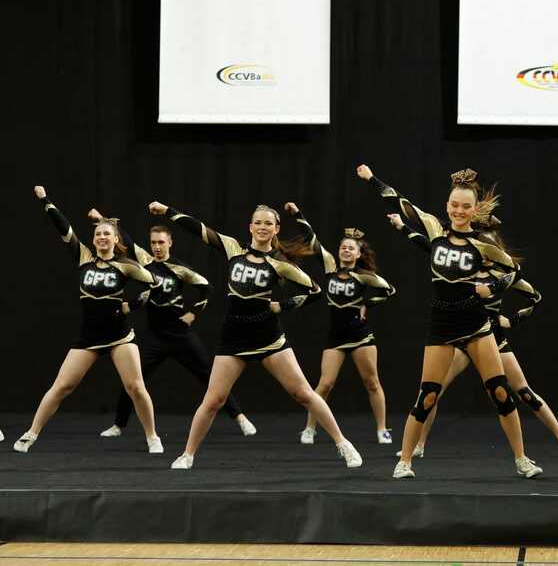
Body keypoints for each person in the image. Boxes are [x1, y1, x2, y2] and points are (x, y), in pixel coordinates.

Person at [357, 164, 543, 479]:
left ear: (474, 210)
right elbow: (400, 202)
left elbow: (514, 272)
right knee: (427, 395)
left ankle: (522, 459)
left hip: (475, 323)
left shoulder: (484, 244)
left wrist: (493, 287)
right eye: (454, 205)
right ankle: (404, 461)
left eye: (465, 206)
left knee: (500, 392)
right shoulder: (435, 231)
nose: (459, 210)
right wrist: (372, 179)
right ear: (447, 206)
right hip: (442, 324)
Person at [146, 201, 361, 470]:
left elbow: (315, 291)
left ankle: (343, 443)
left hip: (267, 336)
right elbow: (199, 229)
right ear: (250, 226)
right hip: (233, 337)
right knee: (213, 400)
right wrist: (167, 211)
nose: (262, 227)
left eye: (268, 223)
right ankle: (187, 454)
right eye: (257, 222)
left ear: (276, 229)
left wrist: (282, 306)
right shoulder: (233, 248)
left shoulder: (279, 263)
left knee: (303, 393)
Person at [389, 212, 558, 460]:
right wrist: (402, 226)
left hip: (491, 337)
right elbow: (428, 245)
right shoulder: (463, 266)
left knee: (523, 392)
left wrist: (512, 320)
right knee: (433, 392)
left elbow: (536, 297)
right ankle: (419, 444)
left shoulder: (501, 275)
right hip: (458, 336)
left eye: (491, 246)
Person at [14, 187, 161, 454]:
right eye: (98, 234)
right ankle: (31, 434)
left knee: (135, 387)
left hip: (120, 336)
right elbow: (64, 228)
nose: (102, 237)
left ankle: (152, 437)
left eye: (107, 233)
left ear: (115, 239)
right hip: (89, 337)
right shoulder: (84, 257)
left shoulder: (125, 264)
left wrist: (132, 306)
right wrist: (45, 200)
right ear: (93, 239)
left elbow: (155, 283)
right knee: (62, 386)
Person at [88, 211, 256, 439]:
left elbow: (207, 287)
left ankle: (240, 417)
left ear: (170, 243)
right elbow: (126, 240)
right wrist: (103, 218)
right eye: (153, 243)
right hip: (154, 335)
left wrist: (193, 314)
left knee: (209, 376)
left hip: (179, 334)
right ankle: (118, 425)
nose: (156, 247)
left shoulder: (180, 269)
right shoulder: (146, 262)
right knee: (133, 380)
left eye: (161, 242)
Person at [284, 203, 396, 445]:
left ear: (358, 254)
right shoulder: (330, 267)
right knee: (325, 383)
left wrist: (368, 304)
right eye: (343, 247)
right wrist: (297, 215)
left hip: (360, 334)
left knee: (372, 382)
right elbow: (312, 240)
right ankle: (310, 428)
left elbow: (389, 290)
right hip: (335, 335)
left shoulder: (363, 275)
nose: (345, 250)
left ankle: (382, 429)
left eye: (351, 249)